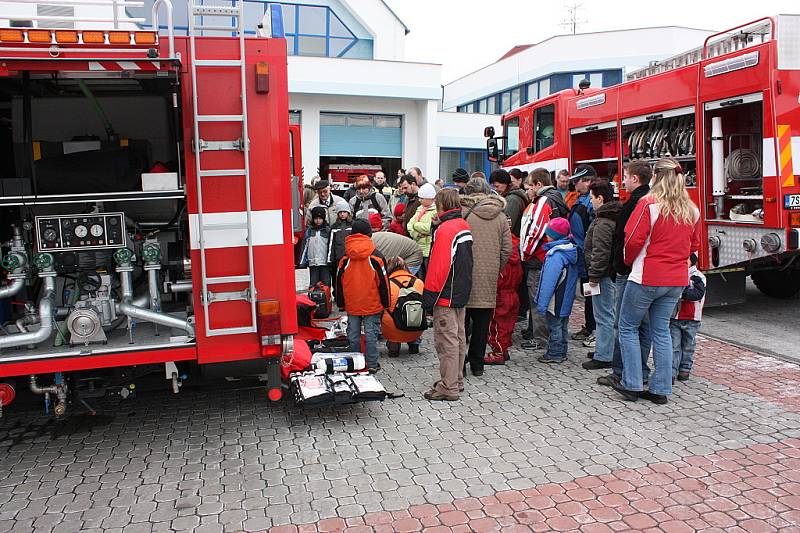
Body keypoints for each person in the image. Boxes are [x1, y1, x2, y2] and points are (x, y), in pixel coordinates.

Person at [612, 158, 700, 405]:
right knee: (661, 331)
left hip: (646, 276)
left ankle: (632, 383)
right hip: (676, 279)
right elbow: (694, 246)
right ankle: (661, 388)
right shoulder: (691, 209)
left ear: (655, 177)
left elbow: (632, 240)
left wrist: (629, 262)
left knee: (628, 327)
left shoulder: (648, 204)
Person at [597, 161, 653, 388]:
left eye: (626, 176)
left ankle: (622, 373)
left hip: (631, 273)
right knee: (648, 328)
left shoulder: (635, 204)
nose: (623, 180)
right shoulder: (654, 201)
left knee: (625, 325)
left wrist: (621, 265)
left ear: (636, 179)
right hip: (651, 273)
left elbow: (628, 239)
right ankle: (643, 372)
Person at [422, 189, 473, 401]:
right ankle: (457, 380)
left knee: (446, 341)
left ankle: (448, 386)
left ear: (441, 204)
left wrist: (428, 297)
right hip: (460, 291)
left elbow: (438, 267)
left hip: (446, 293)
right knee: (458, 338)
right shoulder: (463, 225)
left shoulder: (445, 230)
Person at [460, 177, 512, 376]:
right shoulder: (500, 215)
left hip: (464, 274)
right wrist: (496, 267)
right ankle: (478, 365)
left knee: (461, 322)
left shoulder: (463, 213)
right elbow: (507, 248)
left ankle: (460, 363)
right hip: (489, 275)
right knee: (482, 323)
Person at [518, 168, 569, 350]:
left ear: (539, 185)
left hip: (537, 258)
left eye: (530, 186)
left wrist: (524, 253)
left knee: (539, 300)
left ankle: (541, 338)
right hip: (545, 257)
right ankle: (549, 337)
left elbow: (536, 230)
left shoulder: (544, 201)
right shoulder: (555, 198)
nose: (528, 191)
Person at [335, 218, 390, 373]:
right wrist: (386, 303)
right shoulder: (376, 257)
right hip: (372, 303)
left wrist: (341, 303)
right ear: (369, 234)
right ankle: (372, 364)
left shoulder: (345, 258)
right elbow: (384, 283)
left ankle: (356, 363)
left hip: (352, 304)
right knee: (371, 334)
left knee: (353, 335)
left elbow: (338, 283)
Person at [581, 182, 622, 370]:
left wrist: (594, 275)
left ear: (600, 198)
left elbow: (600, 251)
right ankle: (603, 349)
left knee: (604, 315)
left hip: (603, 275)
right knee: (604, 313)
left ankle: (604, 355)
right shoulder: (606, 217)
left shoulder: (604, 221)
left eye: (592, 198)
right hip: (603, 274)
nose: (591, 201)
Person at [535, 217, 579, 364]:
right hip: (566, 297)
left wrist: (541, 304)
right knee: (563, 324)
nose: (546, 235)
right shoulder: (570, 250)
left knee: (554, 325)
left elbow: (548, 282)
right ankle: (562, 350)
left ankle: (554, 353)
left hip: (556, 298)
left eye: (549, 233)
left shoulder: (556, 256)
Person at [567, 164, 597, 348]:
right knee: (588, 294)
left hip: (589, 259)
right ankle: (589, 326)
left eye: (576, 181)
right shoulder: (582, 200)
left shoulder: (590, 203)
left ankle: (595, 330)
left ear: (586, 182)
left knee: (594, 295)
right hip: (583, 258)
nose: (574, 185)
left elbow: (593, 234)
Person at [485, 234, 523, 365]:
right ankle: (504, 350)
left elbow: (498, 280)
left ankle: (498, 353)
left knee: (496, 325)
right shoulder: (516, 260)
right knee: (507, 326)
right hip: (513, 293)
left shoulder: (502, 262)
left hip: (501, 295)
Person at [671, 254, 706, 382]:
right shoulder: (677, 273)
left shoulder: (698, 277)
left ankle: (684, 370)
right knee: (674, 346)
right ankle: (671, 372)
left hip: (692, 319)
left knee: (688, 345)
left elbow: (697, 294)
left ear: (692, 261)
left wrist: (681, 293)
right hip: (676, 317)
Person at [382, 257, 425, 358]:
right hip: (417, 327)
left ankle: (394, 348)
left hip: (393, 329)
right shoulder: (419, 282)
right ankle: (414, 344)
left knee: (387, 314)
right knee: (415, 313)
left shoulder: (387, 284)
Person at [407, 183, 437, 279]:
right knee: (419, 276)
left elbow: (430, 228)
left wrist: (416, 225)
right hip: (418, 247)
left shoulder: (436, 211)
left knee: (428, 275)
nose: (419, 200)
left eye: (422, 198)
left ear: (429, 198)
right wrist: (416, 233)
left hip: (428, 250)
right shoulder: (420, 209)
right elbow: (409, 225)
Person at [489, 169, 529, 237]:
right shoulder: (509, 197)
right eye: (493, 186)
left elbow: (506, 226)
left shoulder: (512, 200)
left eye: (497, 186)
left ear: (506, 183)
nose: (495, 189)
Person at [300, 206, 332, 286]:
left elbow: (331, 246)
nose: (318, 221)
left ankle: (326, 297)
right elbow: (305, 247)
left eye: (320, 218)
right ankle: (313, 298)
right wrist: (302, 261)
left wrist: (330, 259)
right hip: (313, 262)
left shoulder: (327, 230)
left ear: (323, 219)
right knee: (313, 284)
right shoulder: (309, 231)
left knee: (326, 283)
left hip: (324, 262)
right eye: (316, 218)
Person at [327, 204, 353, 296]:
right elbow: (331, 244)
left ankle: (349, 295)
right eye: (340, 212)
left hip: (350, 257)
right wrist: (330, 259)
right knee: (337, 278)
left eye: (344, 212)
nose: (342, 214)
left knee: (349, 278)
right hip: (338, 258)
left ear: (348, 213)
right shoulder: (334, 227)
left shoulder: (352, 225)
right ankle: (338, 295)